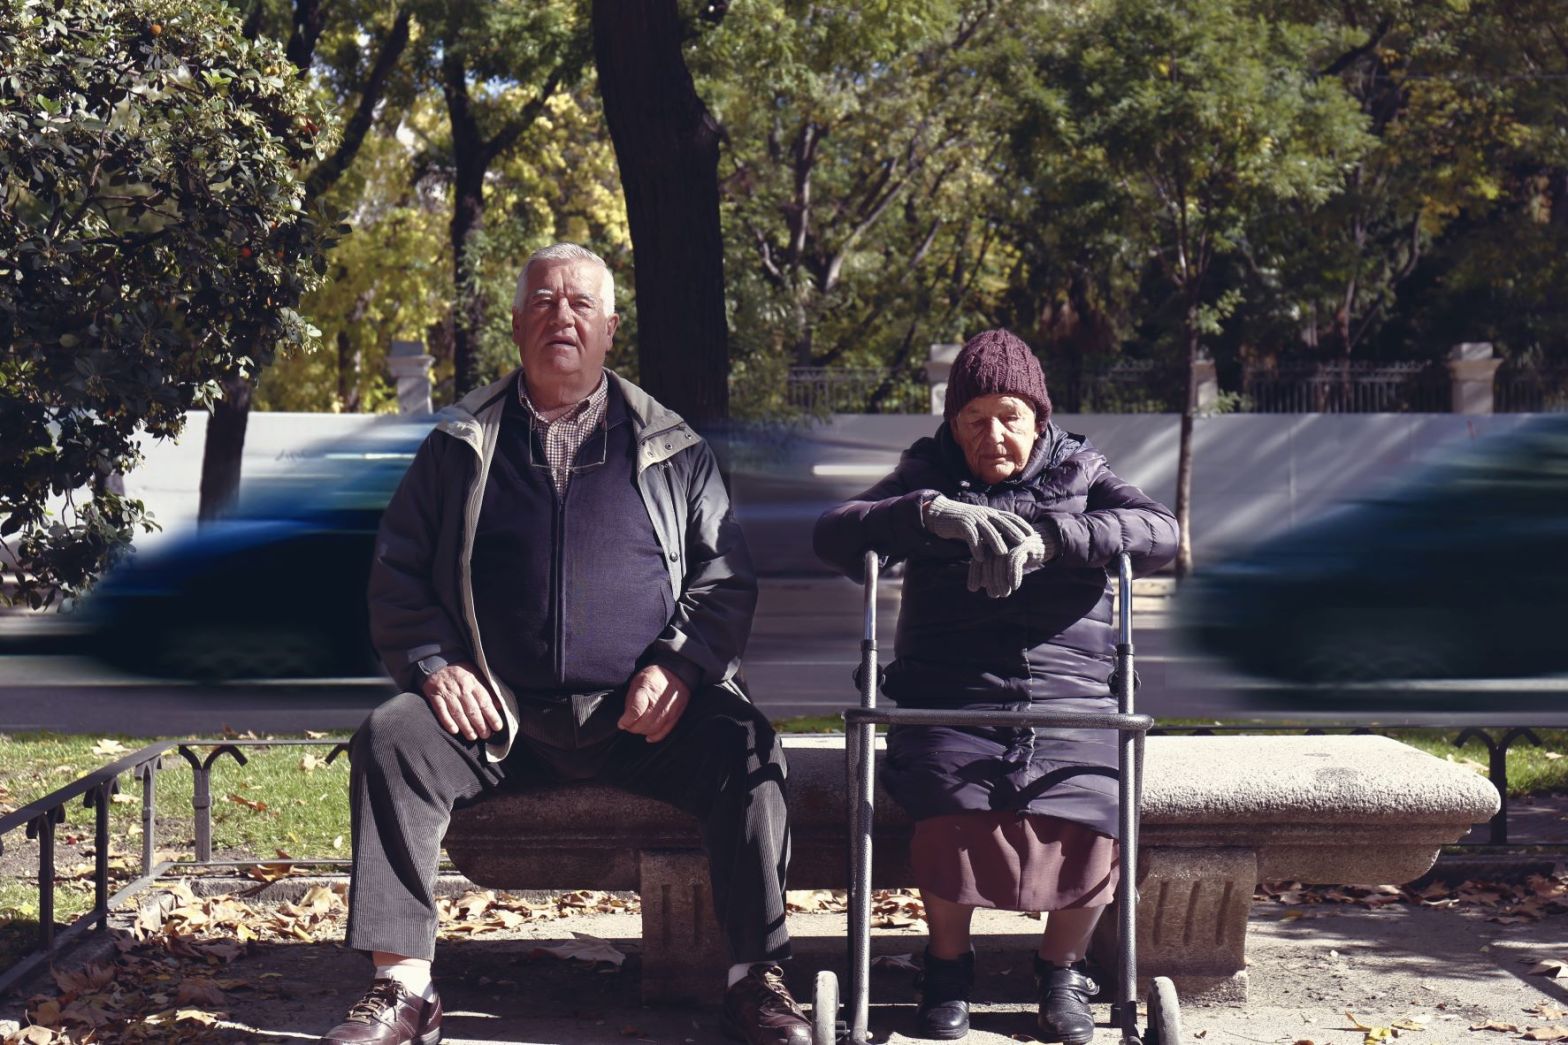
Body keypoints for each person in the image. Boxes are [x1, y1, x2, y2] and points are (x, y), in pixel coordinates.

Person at [321, 243, 810, 1045]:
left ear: (610, 328)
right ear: (516, 325)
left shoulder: (672, 446)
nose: (562, 316)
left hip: (643, 719)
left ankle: (756, 980)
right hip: (498, 719)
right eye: (544, 302)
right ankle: (402, 989)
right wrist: (435, 667)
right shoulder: (459, 443)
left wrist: (681, 666)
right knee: (390, 738)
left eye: (581, 304)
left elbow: (725, 578)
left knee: (746, 746)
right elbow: (397, 573)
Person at [813, 329, 1178, 1044]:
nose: (993, 434)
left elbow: (1161, 531)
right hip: (950, 693)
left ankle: (1061, 970)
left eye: (1009, 416)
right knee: (950, 795)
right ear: (953, 425)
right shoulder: (928, 473)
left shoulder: (1082, 469)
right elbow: (834, 534)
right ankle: (947, 967)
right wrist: (926, 515)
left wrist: (1058, 539)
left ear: (1038, 418)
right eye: (974, 419)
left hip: (1071, 695)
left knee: (1096, 799)